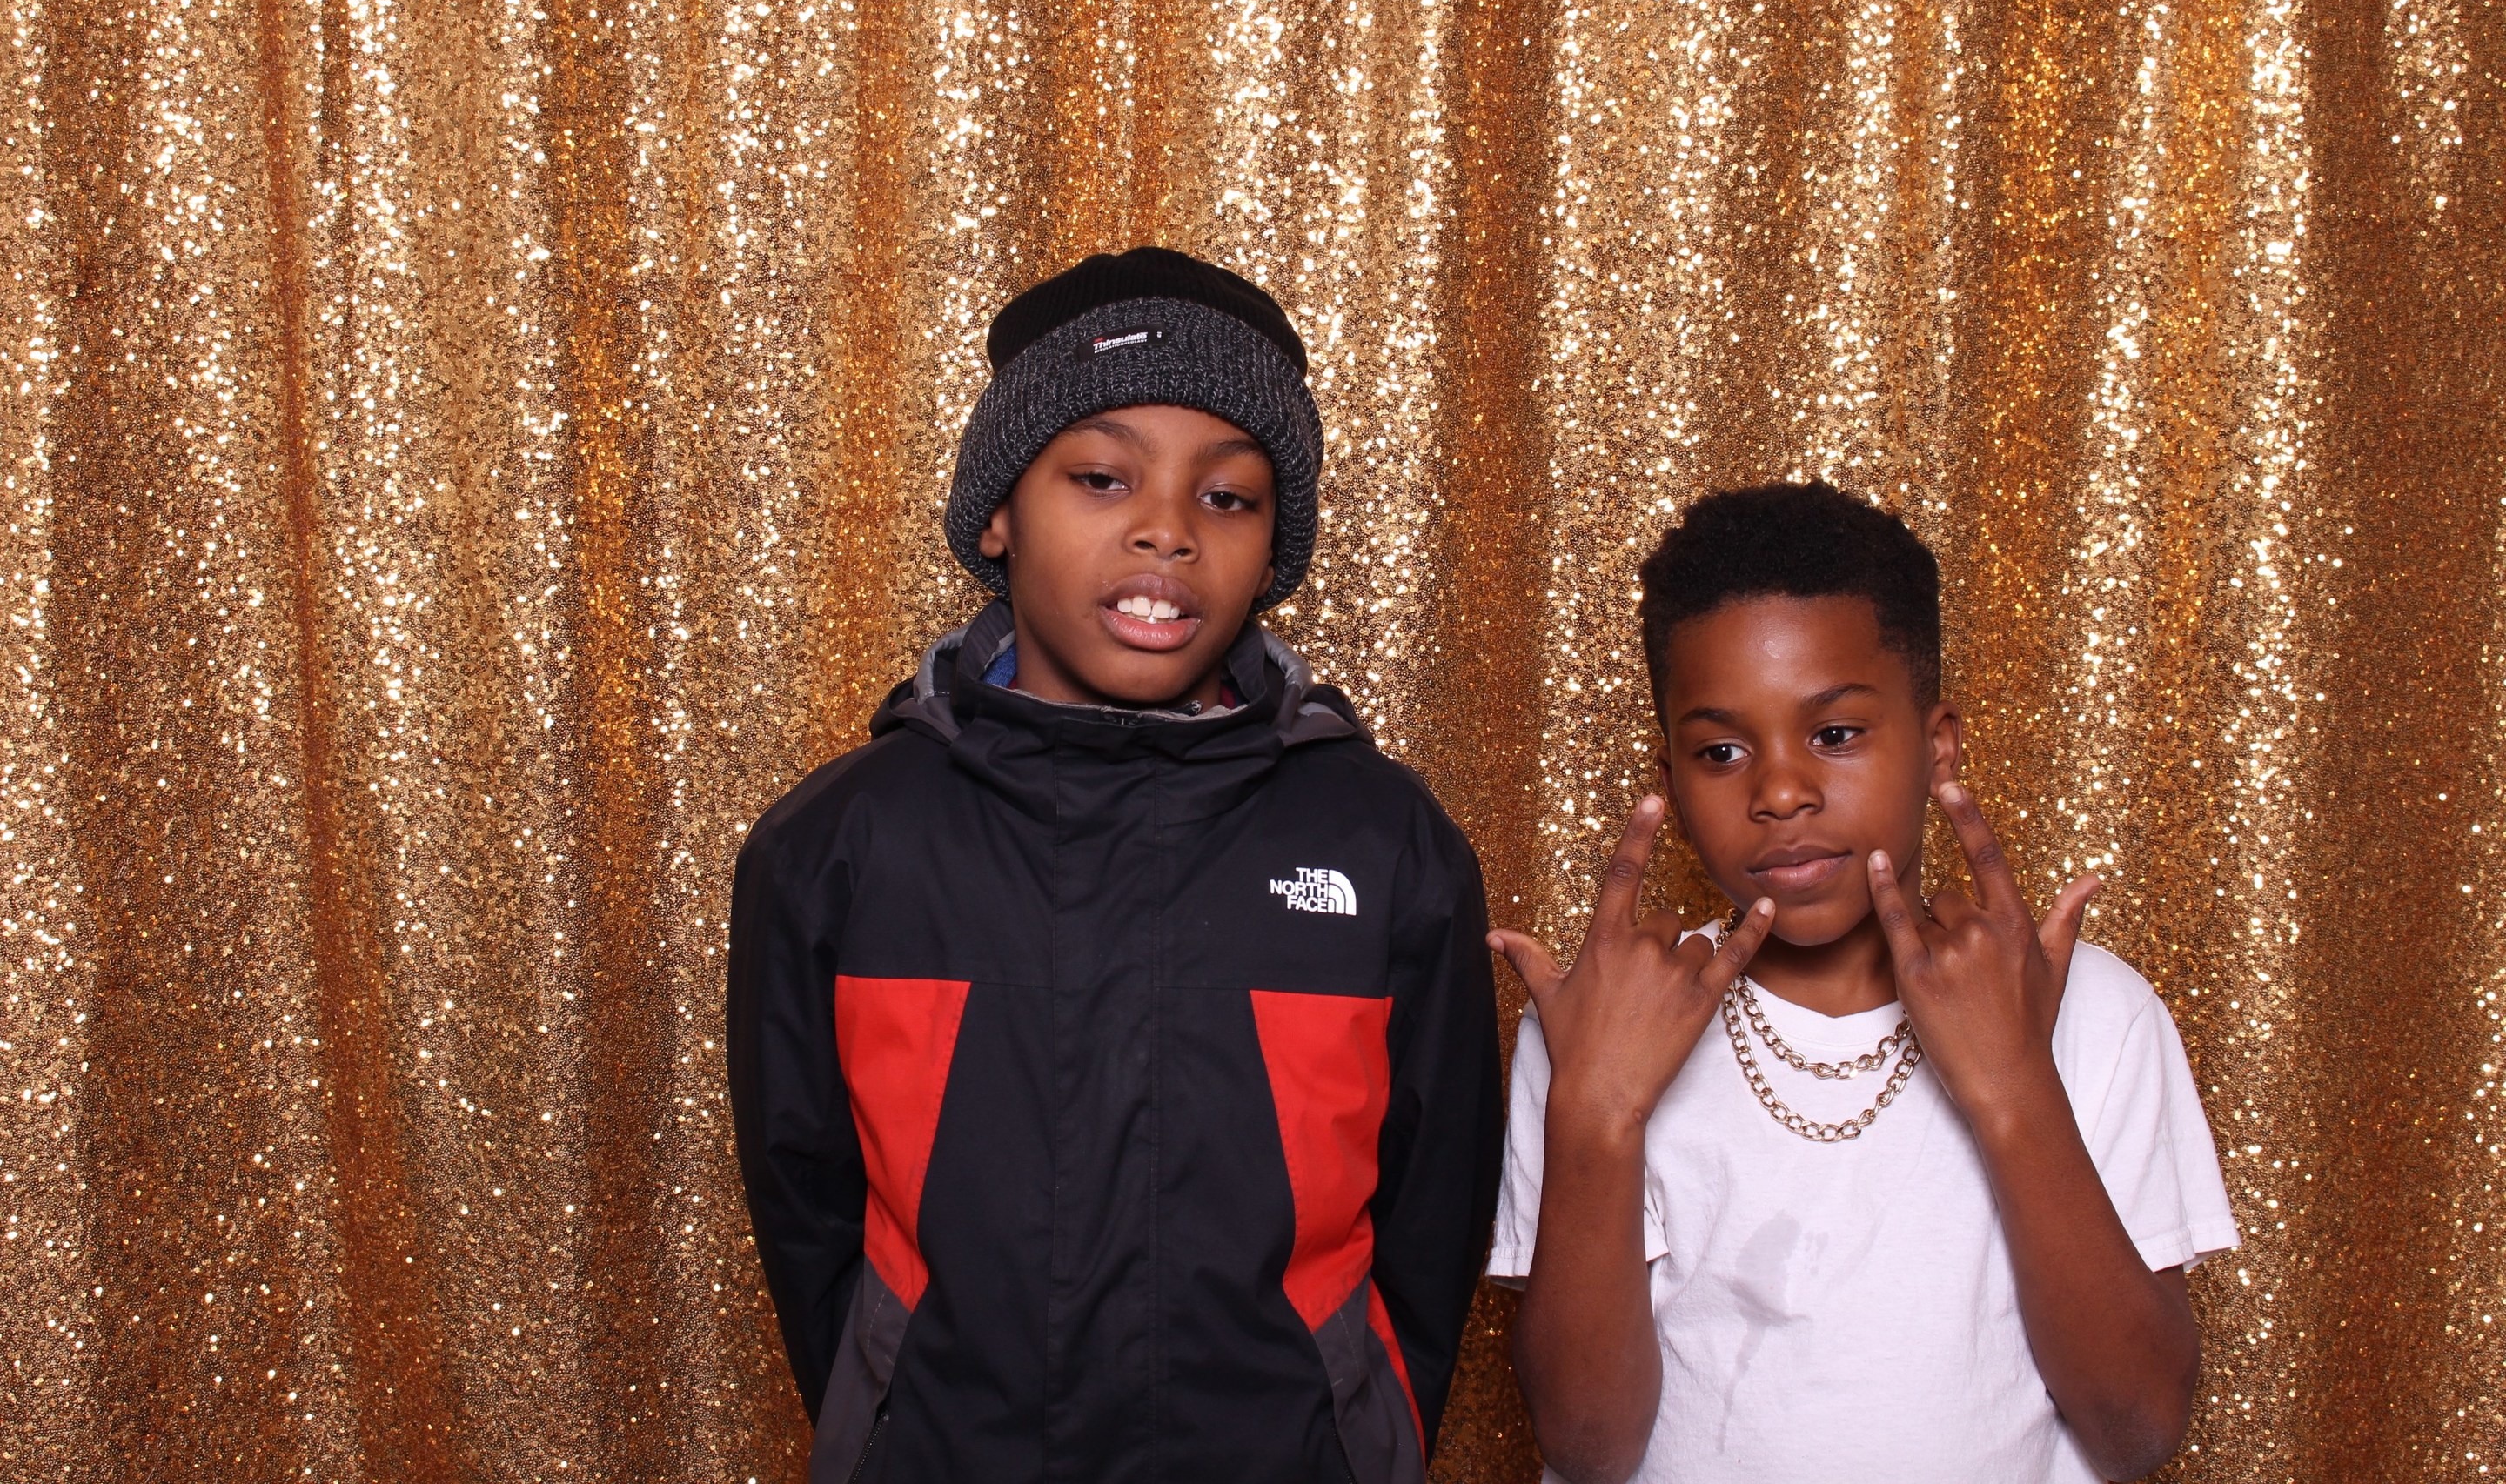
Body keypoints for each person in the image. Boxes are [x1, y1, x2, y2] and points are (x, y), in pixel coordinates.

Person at [727, 247, 1501, 1484]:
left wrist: (1365, 1442)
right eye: (1101, 477)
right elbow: (806, 1207)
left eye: (1229, 497)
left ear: (1273, 548)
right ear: (998, 512)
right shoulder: (841, 847)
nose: (1167, 530)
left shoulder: (1384, 845)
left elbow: (1433, 1207)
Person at [1486, 481, 2237, 1484]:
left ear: (1938, 746)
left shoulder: (2097, 1013)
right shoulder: (1609, 1021)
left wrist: (2014, 1084)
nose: (1781, 791)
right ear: (1669, 780)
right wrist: (1598, 1110)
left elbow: (2136, 1429)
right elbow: (1588, 1446)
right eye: (1721, 751)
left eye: (1835, 735)